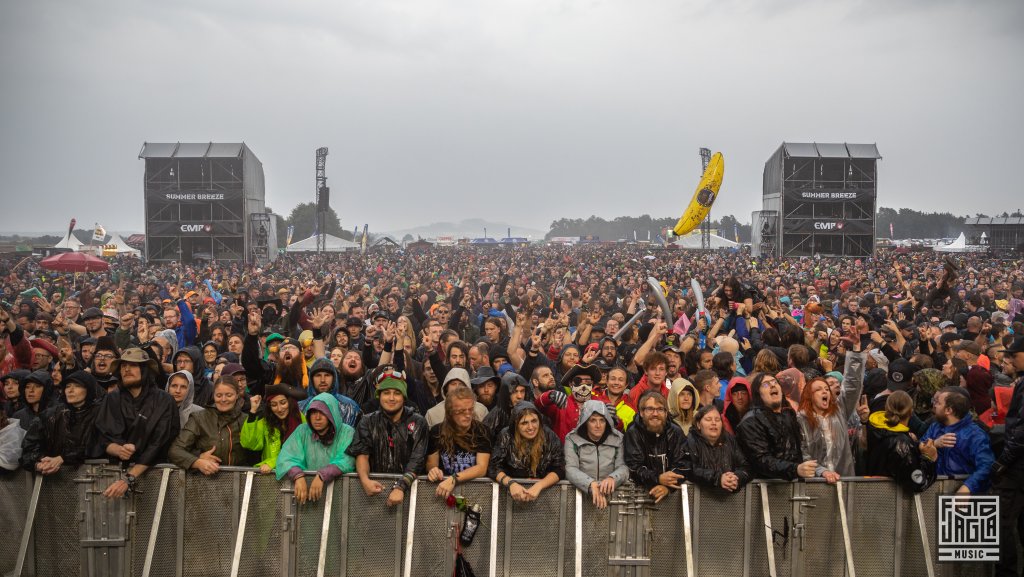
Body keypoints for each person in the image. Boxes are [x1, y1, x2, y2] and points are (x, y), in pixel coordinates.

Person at [95, 348, 181, 498]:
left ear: (145, 369)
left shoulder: (164, 400)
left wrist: (129, 477)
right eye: (123, 366)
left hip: (154, 477)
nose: (127, 369)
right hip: (112, 478)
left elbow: (160, 443)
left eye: (133, 365)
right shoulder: (112, 399)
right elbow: (100, 435)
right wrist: (116, 449)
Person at [346, 375, 429, 507]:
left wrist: (400, 487)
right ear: (379, 396)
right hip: (376, 492)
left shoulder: (418, 422)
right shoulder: (367, 421)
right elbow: (362, 454)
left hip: (412, 492)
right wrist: (365, 480)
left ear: (404, 397)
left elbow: (417, 460)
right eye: (386, 393)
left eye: (397, 393)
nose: (391, 398)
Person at [796, 347, 866, 482]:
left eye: (826, 389)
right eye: (818, 389)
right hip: (815, 484)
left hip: (844, 482)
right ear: (809, 396)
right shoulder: (801, 419)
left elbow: (852, 385)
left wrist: (857, 351)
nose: (825, 392)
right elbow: (802, 453)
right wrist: (822, 471)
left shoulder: (839, 411)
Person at [275, 393, 357, 504]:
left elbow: (347, 459)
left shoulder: (347, 432)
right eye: (313, 412)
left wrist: (322, 475)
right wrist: (297, 476)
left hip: (339, 496)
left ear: (331, 414)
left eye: (322, 412)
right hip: (307, 495)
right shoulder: (302, 431)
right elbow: (286, 457)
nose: (317, 418)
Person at [736, 372, 817, 481]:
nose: (772, 385)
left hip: (791, 484)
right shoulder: (751, 421)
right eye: (765, 385)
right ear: (758, 394)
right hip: (763, 489)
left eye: (775, 382)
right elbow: (761, 460)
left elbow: (798, 450)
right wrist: (795, 469)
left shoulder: (788, 414)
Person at [20, 370, 103, 474]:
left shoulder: (101, 412)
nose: (70, 390)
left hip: (93, 477)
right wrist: (39, 464)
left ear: (89, 389)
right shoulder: (50, 414)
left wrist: (62, 458)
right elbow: (29, 448)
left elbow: (99, 444)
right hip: (55, 480)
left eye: (77, 386)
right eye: (68, 386)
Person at [168, 376, 252, 474]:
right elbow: (175, 450)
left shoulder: (246, 420)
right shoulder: (199, 418)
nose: (223, 399)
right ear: (213, 395)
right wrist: (197, 461)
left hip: (239, 482)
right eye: (219, 395)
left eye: (229, 395)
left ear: (237, 395)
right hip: (204, 483)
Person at [920, 386, 995, 495]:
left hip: (962, 498)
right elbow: (920, 445)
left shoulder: (975, 435)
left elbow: (987, 466)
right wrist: (935, 443)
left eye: (938, 403)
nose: (934, 405)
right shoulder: (935, 427)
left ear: (948, 410)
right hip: (933, 492)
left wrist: (967, 487)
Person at [489, 401, 565, 502]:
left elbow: (559, 468)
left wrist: (540, 485)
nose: (530, 427)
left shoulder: (549, 436)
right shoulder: (506, 436)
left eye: (534, 421)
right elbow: (494, 467)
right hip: (510, 495)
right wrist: (511, 483)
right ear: (516, 425)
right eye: (524, 423)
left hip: (544, 495)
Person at [993, 335, 1024, 577]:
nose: (1010, 359)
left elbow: (1021, 430)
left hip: (1017, 468)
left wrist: (1004, 460)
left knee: (1002, 523)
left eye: (1014, 355)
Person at [426, 387, 492, 499]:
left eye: (470, 409)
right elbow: (431, 464)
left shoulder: (482, 431)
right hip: (444, 492)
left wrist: (454, 479)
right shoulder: (436, 432)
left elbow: (482, 468)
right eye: (461, 411)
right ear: (450, 412)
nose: (467, 415)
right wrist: (433, 471)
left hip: (475, 493)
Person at [864, 390, 937, 493]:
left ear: (886, 408)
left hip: (872, 494)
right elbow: (917, 483)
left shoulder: (874, 428)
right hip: (892, 501)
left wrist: (915, 445)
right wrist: (929, 458)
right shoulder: (901, 443)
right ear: (911, 412)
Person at [623, 391, 689, 503]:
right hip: (637, 498)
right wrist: (658, 478)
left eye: (660, 409)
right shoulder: (633, 433)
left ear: (666, 413)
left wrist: (668, 488)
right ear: (642, 412)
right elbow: (634, 467)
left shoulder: (675, 432)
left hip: (671, 499)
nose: (655, 413)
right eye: (650, 409)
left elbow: (684, 465)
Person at [564, 400, 629, 509]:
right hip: (581, 496)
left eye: (602, 420)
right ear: (585, 422)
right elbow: (570, 468)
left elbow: (623, 466)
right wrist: (590, 484)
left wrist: (613, 478)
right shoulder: (572, 438)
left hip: (613, 498)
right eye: (593, 420)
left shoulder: (618, 438)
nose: (598, 425)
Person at [242, 383, 307, 474]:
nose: (279, 409)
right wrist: (253, 412)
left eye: (283, 402)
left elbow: (299, 453)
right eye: (274, 405)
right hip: (270, 477)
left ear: (290, 402)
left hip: (297, 476)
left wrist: (272, 463)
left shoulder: (301, 421)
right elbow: (250, 444)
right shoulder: (266, 422)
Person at [686, 404, 751, 492]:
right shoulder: (691, 441)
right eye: (708, 419)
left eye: (717, 419)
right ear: (698, 424)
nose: (714, 423)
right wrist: (718, 479)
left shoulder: (730, 440)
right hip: (699, 498)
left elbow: (746, 466)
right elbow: (690, 469)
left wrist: (736, 477)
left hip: (732, 500)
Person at [536, 364, 602, 441]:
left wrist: (611, 418)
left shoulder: (601, 404)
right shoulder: (561, 403)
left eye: (588, 382)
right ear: (570, 384)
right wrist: (549, 395)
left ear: (592, 384)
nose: (583, 386)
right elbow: (538, 405)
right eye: (578, 381)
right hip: (565, 450)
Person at [482, 371, 534, 437]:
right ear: (506, 393)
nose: (519, 396)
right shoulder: (496, 415)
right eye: (514, 391)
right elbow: (483, 439)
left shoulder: (532, 411)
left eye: (522, 391)